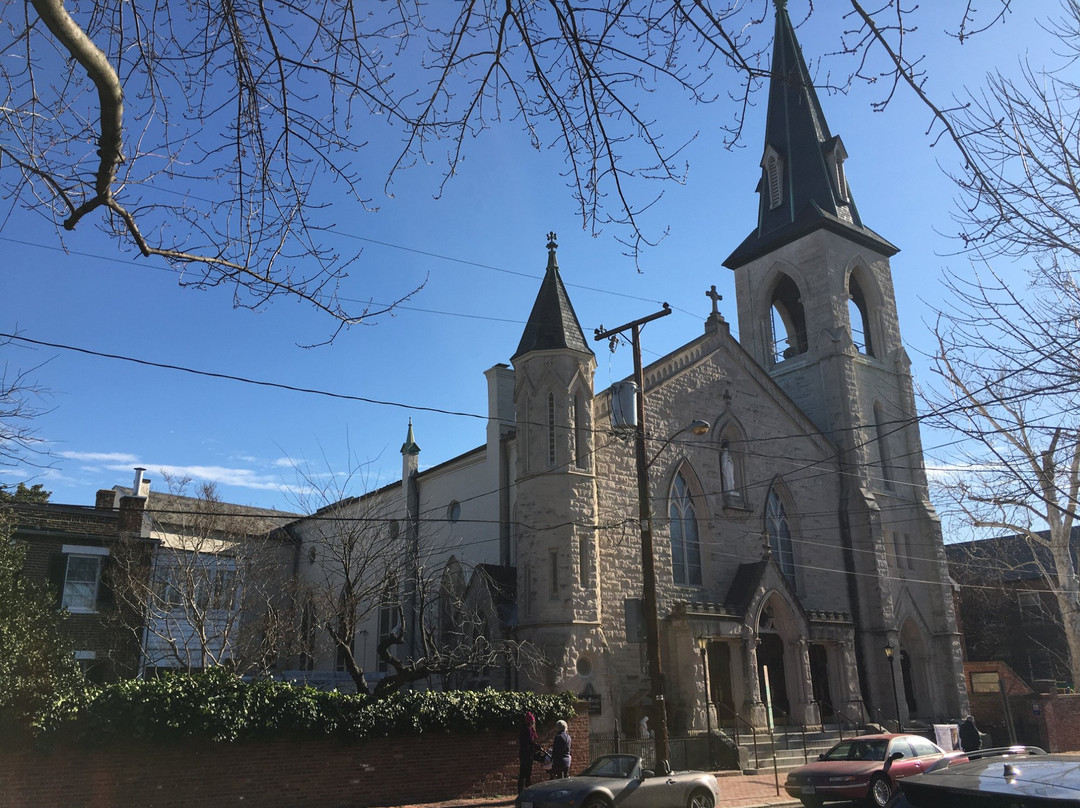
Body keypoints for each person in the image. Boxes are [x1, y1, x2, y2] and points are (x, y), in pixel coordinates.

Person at [518, 712, 541, 793]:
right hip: (527, 755)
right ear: (531, 722)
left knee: (522, 775)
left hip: (523, 754)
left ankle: (521, 791)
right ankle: (527, 792)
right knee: (527, 775)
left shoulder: (524, 730)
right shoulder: (528, 731)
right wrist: (538, 747)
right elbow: (531, 742)